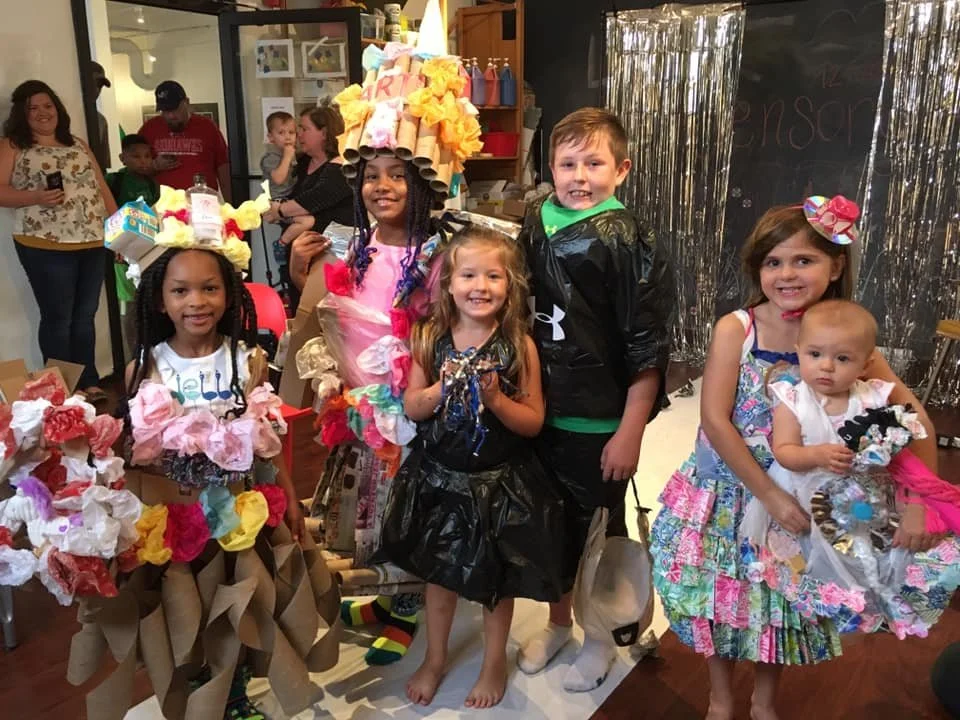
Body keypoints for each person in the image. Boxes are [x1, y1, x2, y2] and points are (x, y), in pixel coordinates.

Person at [649, 199, 940, 720]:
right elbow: (715, 420)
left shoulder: (848, 338)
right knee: (718, 596)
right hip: (732, 492)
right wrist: (768, 494)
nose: (785, 274)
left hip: (806, 498)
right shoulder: (736, 328)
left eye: (802, 260)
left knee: (777, 603)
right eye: (772, 262)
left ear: (836, 267)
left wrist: (923, 499)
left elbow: (915, 419)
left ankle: (764, 701)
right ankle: (720, 699)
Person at [70, 223, 341, 720]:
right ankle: (191, 696)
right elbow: (132, 454)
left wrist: (288, 494)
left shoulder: (248, 361)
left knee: (236, 609)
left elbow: (267, 438)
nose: (197, 301)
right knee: (183, 613)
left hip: (240, 513)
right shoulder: (144, 368)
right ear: (159, 300)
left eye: (209, 288)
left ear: (230, 293)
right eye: (180, 290)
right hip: (172, 519)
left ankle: (233, 697)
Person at [517, 107, 673, 692]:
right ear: (549, 167)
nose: (579, 175)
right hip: (536, 410)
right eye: (567, 163)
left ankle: (600, 636)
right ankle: (558, 621)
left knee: (595, 532)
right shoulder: (536, 220)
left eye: (594, 163)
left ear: (622, 168)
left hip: (597, 418)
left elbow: (646, 343)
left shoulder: (627, 238)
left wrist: (629, 430)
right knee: (547, 525)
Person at [380, 226, 565, 708]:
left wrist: (497, 399)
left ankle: (492, 661)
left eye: (493, 276)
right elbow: (414, 408)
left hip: (496, 487)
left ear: (511, 286)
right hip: (440, 481)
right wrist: (442, 389)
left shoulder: (518, 345)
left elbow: (532, 422)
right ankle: (436, 657)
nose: (480, 286)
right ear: (448, 284)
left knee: (494, 584)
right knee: (439, 579)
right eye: (468, 274)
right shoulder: (430, 338)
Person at [301, 152, 446, 668]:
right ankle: (385, 593)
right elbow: (332, 314)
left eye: (398, 175)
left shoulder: (434, 252)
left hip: (410, 400)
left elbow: (440, 329)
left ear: (424, 184)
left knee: (409, 505)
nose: (381, 186)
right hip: (360, 400)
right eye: (370, 176)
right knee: (372, 504)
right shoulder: (355, 243)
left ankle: (408, 605)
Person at [744, 300, 960, 637]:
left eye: (842, 359)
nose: (826, 367)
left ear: (865, 364)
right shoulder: (792, 398)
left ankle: (873, 601)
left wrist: (892, 468)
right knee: (814, 551)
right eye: (815, 355)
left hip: (863, 491)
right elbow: (784, 451)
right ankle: (821, 601)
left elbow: (906, 442)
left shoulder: (873, 397)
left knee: (867, 548)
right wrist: (815, 454)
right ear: (799, 351)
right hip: (807, 488)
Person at [0, 80, 118, 404]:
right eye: (33, 108)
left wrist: (120, 231)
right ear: (22, 115)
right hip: (44, 243)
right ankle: (63, 388)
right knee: (58, 317)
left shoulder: (77, 143)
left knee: (85, 315)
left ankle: (89, 380)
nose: (42, 113)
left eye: (47, 105)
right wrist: (35, 196)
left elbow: (100, 188)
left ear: (58, 109)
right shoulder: (13, 145)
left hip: (92, 240)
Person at [263, 104, 353, 314]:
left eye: (304, 129)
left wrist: (281, 210)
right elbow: (284, 188)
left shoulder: (341, 168)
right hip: (298, 256)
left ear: (324, 132)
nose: (298, 135)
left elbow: (311, 201)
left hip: (326, 258)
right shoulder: (302, 162)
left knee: (321, 314)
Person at [106, 133, 160, 358]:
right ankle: (132, 356)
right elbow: (107, 214)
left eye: (147, 156)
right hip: (122, 253)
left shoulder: (151, 183)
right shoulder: (115, 181)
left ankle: (152, 351)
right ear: (123, 158)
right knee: (129, 306)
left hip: (146, 249)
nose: (143, 161)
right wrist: (117, 246)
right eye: (136, 156)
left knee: (148, 299)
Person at [139, 80, 231, 202]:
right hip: (163, 207)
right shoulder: (149, 129)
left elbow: (223, 167)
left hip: (203, 206)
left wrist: (231, 206)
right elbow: (134, 169)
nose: (171, 116)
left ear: (186, 103)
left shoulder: (207, 127)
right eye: (165, 111)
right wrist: (154, 166)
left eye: (175, 109)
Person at [90, 61, 112, 172]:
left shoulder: (100, 121)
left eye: (100, 85)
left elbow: (103, 164)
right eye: (93, 83)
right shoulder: (58, 116)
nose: (97, 89)